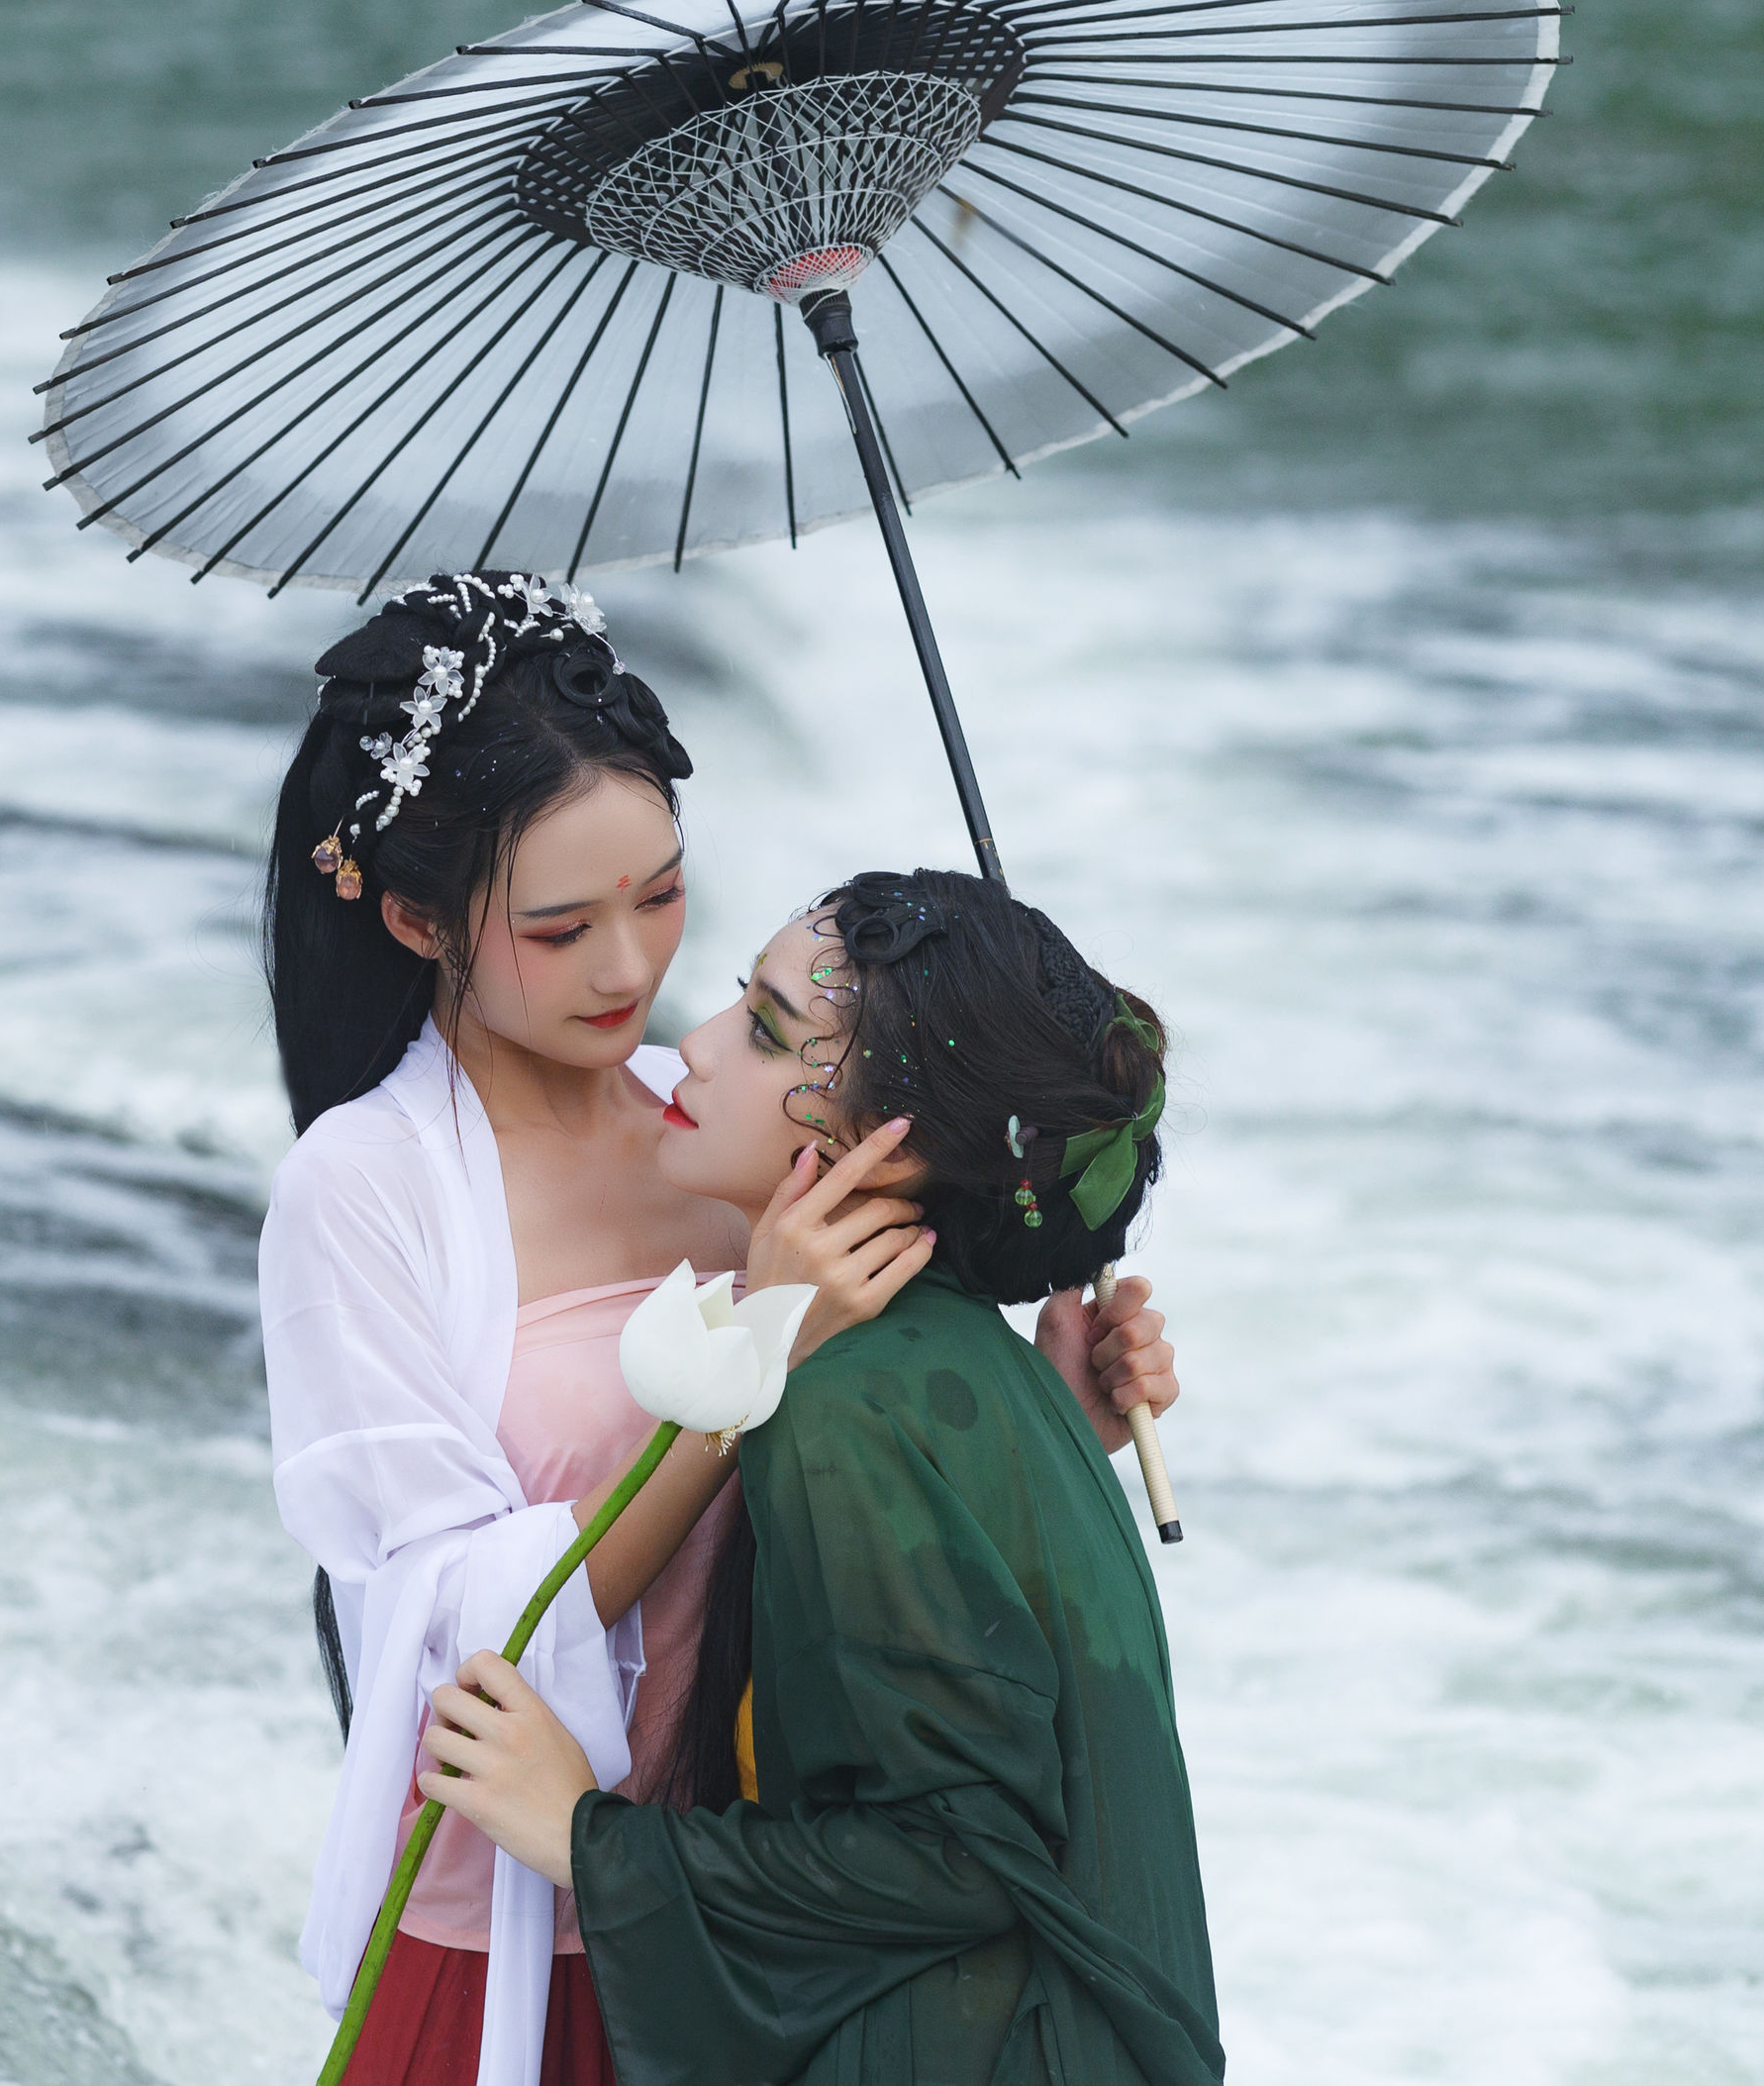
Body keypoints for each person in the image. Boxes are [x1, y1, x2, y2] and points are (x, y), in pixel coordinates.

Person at [259, 580, 1180, 2086]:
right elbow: (456, 1647)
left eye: (661, 895)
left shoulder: (718, 1135)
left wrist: (1033, 1413)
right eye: (559, 928)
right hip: (511, 1921)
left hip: (742, 1909)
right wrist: (746, 1359)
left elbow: (840, 1488)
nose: (627, 972)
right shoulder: (360, 1192)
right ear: (419, 917)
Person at [405, 870, 1224, 2086]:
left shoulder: (842, 1405)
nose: (695, 1041)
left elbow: (960, 1856)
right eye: (741, 1001)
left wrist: (587, 1840)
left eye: (767, 1029)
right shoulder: (967, 1365)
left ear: (890, 1154)